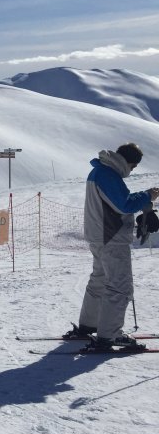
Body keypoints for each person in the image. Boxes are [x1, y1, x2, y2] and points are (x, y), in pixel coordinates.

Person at [65, 143, 159, 351]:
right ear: (129, 162)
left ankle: (89, 325)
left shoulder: (99, 171)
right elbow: (123, 205)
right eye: (133, 167)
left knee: (99, 280)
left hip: (100, 235)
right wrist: (147, 196)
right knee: (119, 286)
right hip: (111, 237)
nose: (131, 171)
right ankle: (110, 335)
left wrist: (144, 199)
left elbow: (115, 202)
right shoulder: (108, 175)